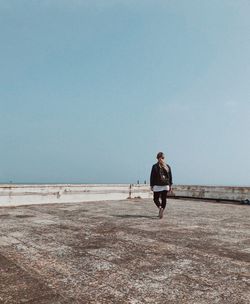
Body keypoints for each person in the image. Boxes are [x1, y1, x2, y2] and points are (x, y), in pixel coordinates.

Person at [150, 152, 173, 219]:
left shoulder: (154, 166)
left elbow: (152, 176)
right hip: (166, 185)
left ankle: (160, 208)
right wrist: (170, 185)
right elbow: (170, 177)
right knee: (164, 199)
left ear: (157, 158)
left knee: (155, 199)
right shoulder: (167, 166)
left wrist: (151, 185)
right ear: (163, 158)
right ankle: (162, 210)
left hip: (157, 185)